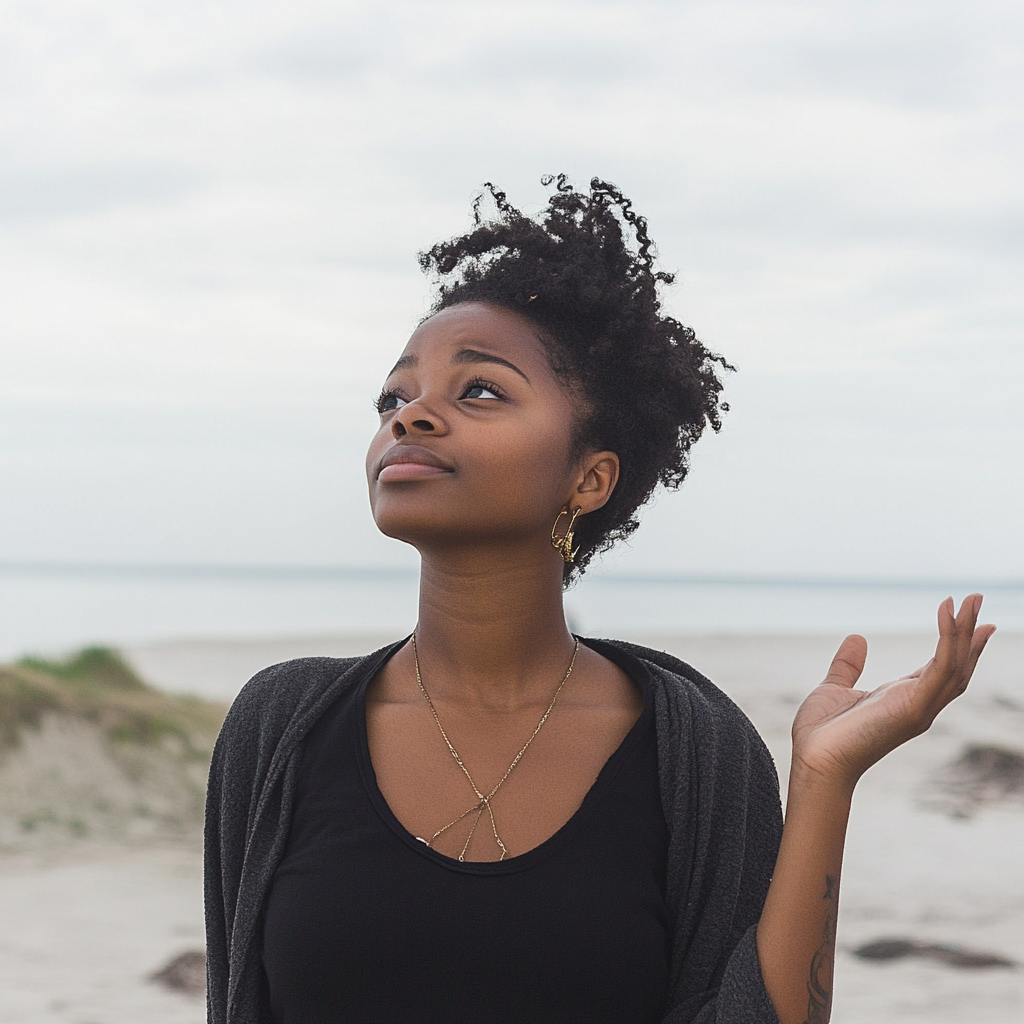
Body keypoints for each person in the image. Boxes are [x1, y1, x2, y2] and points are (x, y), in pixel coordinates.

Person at [204, 176, 994, 1024]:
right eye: (394, 398)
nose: (412, 416)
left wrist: (823, 779)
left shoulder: (693, 752)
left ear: (589, 478)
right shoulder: (281, 727)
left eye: (478, 391)